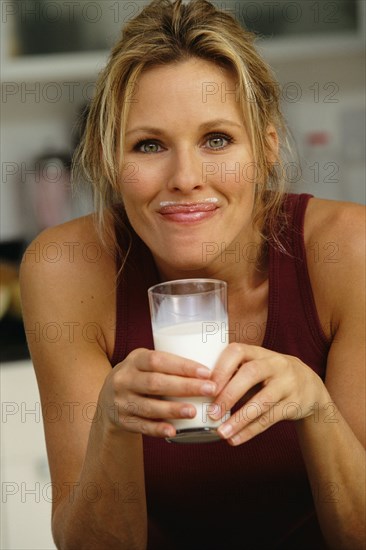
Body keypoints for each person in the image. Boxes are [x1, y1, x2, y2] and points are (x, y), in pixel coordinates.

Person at [20, 1, 365, 548]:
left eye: (218, 140)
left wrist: (315, 405)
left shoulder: (350, 252)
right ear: (112, 159)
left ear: (267, 147)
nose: (186, 178)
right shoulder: (64, 270)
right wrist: (112, 423)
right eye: (149, 145)